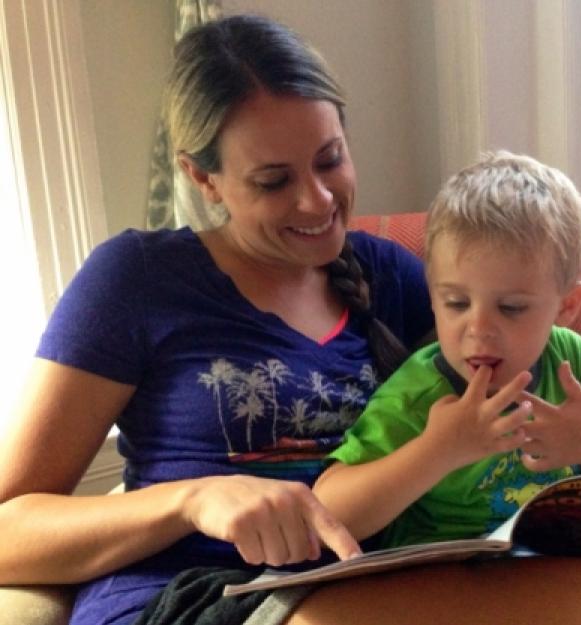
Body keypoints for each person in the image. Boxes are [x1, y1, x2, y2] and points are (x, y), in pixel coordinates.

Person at [0, 13, 433, 625]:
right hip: (193, 596)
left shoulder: (391, 278)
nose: (317, 200)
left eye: (330, 159)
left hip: (366, 582)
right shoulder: (137, 280)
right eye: (274, 181)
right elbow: (8, 531)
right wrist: (192, 500)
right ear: (202, 177)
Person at [313, 151, 581, 550]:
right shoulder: (418, 395)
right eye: (456, 303)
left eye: (511, 307)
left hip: (558, 565)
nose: (479, 329)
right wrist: (438, 450)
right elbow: (326, 513)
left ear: (566, 307)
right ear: (433, 298)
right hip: (445, 575)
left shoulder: (569, 361)